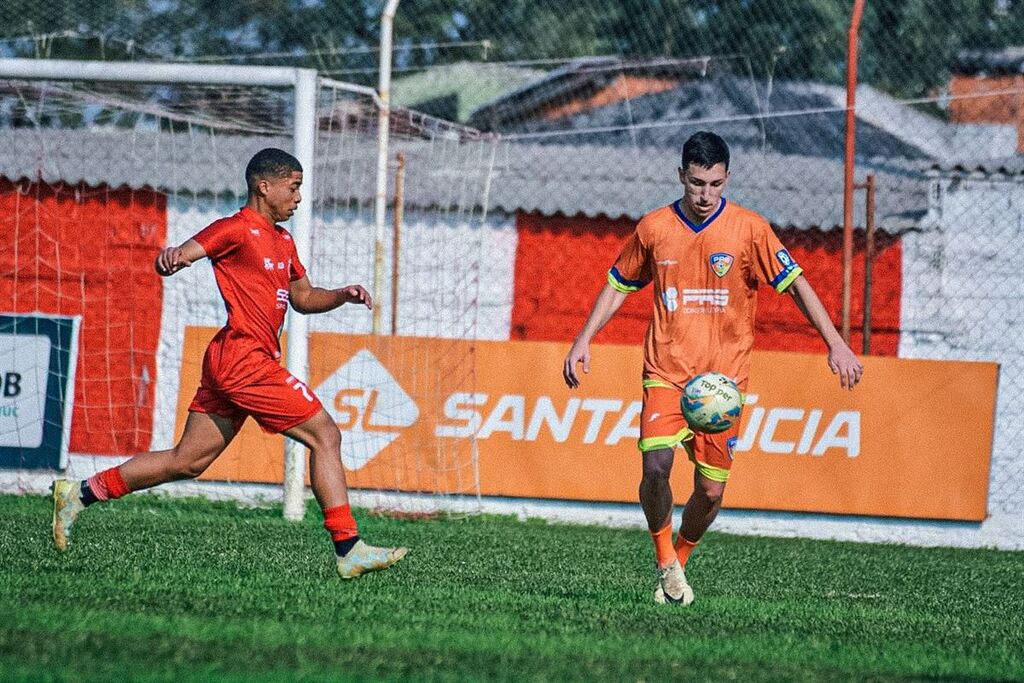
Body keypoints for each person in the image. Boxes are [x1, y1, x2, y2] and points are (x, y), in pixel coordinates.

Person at [51, 147, 407, 579]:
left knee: (188, 461)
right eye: (293, 189)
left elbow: (304, 298)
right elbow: (185, 253)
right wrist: (173, 258)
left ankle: (81, 493)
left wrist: (342, 295)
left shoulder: (284, 240)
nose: (298, 198)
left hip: (232, 360)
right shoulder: (235, 229)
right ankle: (349, 547)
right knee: (325, 435)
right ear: (265, 186)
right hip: (243, 359)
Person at [562, 131, 862, 605]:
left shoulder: (749, 230)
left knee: (709, 494)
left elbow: (797, 283)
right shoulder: (654, 228)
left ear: (727, 179)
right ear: (681, 175)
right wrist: (583, 338)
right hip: (667, 371)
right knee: (656, 465)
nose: (705, 195)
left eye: (715, 184)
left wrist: (836, 344)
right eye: (697, 183)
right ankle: (664, 561)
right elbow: (619, 282)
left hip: (724, 385)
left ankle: (679, 560)